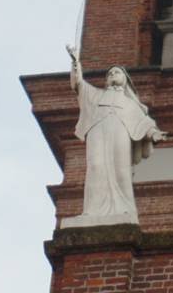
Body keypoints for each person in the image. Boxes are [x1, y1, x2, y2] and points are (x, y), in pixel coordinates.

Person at [63, 45, 167, 227]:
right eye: (110, 73)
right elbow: (78, 84)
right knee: (95, 167)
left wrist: (154, 134)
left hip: (120, 133)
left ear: (125, 80)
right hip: (97, 131)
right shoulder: (95, 95)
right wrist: (75, 62)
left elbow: (143, 123)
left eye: (117, 73)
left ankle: (125, 209)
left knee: (121, 170)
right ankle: (91, 211)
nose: (112, 75)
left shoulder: (130, 104)